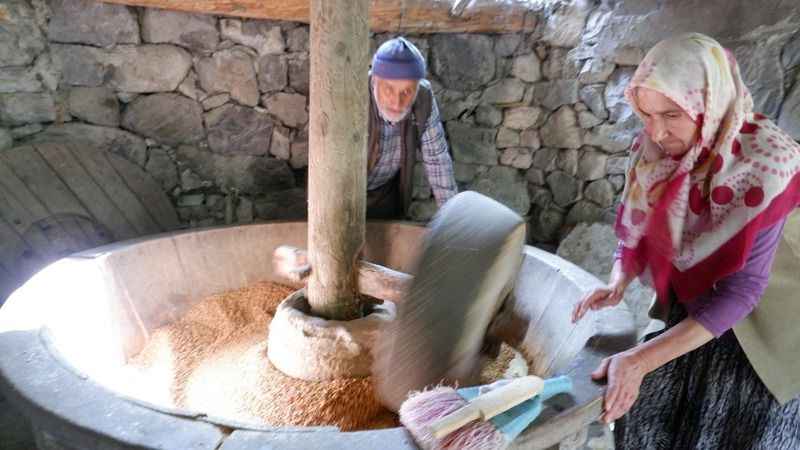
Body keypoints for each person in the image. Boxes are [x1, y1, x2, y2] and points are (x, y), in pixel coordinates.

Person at [571, 33, 800, 449]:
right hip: (699, 305)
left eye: (671, 114)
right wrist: (619, 278)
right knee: (650, 413)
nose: (656, 132)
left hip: (766, 328)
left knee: (733, 432)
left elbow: (743, 292)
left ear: (708, 102)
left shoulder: (769, 165)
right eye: (645, 114)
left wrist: (641, 359)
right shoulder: (658, 150)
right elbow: (636, 220)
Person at [367, 37, 457, 219]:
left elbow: (437, 160)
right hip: (344, 196)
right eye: (389, 89)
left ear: (417, 88)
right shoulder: (353, 93)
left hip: (384, 196)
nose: (396, 101)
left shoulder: (423, 98)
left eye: (406, 92)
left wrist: (453, 222)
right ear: (375, 80)